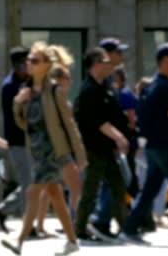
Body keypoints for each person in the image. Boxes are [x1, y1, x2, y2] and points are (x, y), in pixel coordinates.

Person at [1, 43, 86, 255]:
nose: (29, 63)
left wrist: (80, 154)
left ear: (47, 66)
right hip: (37, 151)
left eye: (35, 60)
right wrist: (18, 103)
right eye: (28, 60)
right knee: (56, 195)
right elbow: (23, 124)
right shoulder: (26, 91)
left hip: (53, 151)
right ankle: (72, 241)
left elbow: (69, 124)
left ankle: (20, 242)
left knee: (32, 192)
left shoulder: (56, 91)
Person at [120, 42, 168, 245]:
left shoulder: (150, 85)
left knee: (149, 190)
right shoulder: (165, 86)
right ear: (166, 61)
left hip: (154, 146)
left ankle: (129, 227)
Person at [74, 47, 129, 242]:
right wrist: (119, 137)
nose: (110, 64)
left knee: (118, 184)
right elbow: (98, 121)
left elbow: (113, 114)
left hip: (106, 147)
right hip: (94, 147)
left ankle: (124, 227)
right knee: (91, 187)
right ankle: (79, 229)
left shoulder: (105, 87)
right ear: (96, 64)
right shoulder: (89, 90)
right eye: (105, 61)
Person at [34, 63, 83, 237]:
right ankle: (78, 223)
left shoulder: (47, 96)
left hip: (48, 147)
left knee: (50, 187)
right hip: (59, 148)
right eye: (68, 77)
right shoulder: (57, 96)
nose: (70, 81)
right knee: (76, 184)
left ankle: (39, 225)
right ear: (59, 78)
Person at [0, 46, 31, 233]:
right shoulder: (10, 86)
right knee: (28, 183)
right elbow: (17, 116)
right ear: (17, 64)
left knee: (33, 182)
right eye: (25, 62)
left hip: (31, 140)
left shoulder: (29, 82)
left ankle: (1, 210)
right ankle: (27, 225)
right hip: (18, 140)